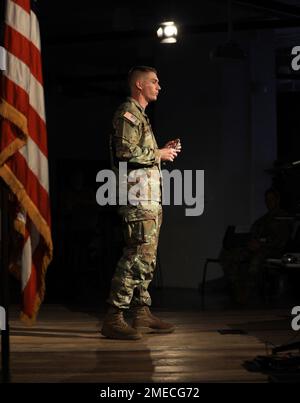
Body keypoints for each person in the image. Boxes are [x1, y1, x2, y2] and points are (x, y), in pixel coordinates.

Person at [101, 66, 181, 339]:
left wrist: (161, 152)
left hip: (148, 197)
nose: (159, 86)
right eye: (154, 82)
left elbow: (139, 152)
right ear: (139, 84)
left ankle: (141, 313)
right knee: (136, 255)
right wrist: (157, 153)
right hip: (137, 197)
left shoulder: (140, 117)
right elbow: (125, 152)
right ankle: (114, 315)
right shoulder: (128, 113)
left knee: (147, 258)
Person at [219, 188, 291, 304]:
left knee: (257, 258)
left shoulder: (284, 218)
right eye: (266, 200)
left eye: (271, 199)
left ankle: (247, 292)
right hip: (256, 248)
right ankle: (236, 286)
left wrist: (261, 244)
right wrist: (249, 242)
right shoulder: (262, 220)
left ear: (277, 200)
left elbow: (281, 240)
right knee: (226, 254)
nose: (268, 202)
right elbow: (253, 234)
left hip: (274, 250)